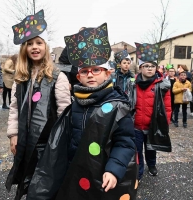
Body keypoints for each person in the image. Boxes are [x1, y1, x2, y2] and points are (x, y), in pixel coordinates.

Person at [55, 23, 138, 200]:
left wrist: (114, 170)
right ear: (78, 77)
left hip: (103, 172)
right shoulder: (76, 103)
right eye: (85, 71)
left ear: (107, 74)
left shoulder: (118, 106)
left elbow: (125, 142)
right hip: (77, 171)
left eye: (96, 70)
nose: (90, 74)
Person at [5, 10, 71, 199]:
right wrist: (14, 134)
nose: (35, 47)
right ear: (24, 48)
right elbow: (15, 108)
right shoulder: (21, 78)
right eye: (30, 44)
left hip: (47, 143)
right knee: (27, 179)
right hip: (25, 141)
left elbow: (63, 112)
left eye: (39, 43)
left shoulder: (57, 77)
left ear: (46, 46)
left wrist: (58, 144)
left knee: (45, 185)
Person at [134, 60, 171, 181]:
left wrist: (165, 122)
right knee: (137, 150)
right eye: (146, 66)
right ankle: (138, 171)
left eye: (152, 66)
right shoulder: (134, 84)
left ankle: (151, 165)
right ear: (140, 68)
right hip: (136, 125)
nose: (149, 69)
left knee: (151, 147)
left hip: (153, 125)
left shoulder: (161, 85)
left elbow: (167, 107)